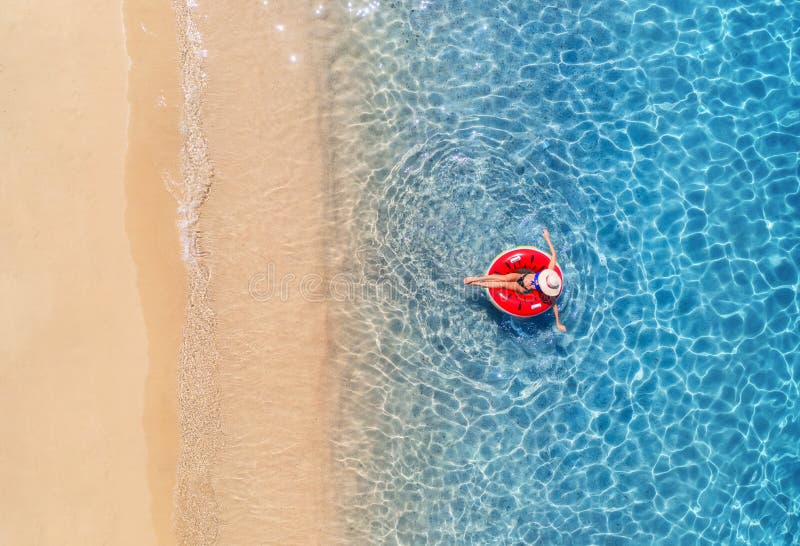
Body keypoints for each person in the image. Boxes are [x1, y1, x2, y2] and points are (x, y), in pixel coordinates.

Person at [464, 229, 567, 333]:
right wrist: (547, 238)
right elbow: (554, 254)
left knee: (501, 285)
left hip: (522, 288)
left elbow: (554, 306)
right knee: (502, 278)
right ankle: (476, 278)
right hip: (522, 276)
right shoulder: (549, 270)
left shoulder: (549, 292)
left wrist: (558, 323)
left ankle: (475, 283)